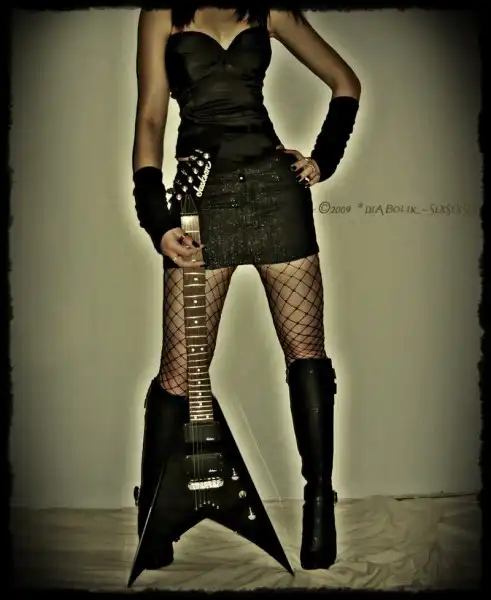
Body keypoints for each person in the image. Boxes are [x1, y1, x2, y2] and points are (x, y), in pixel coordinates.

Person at [132, 5, 361, 572]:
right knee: (181, 370)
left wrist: (323, 159)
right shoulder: (162, 13)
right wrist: (155, 217)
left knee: (306, 353)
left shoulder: (269, 9)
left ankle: (319, 505)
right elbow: (152, 118)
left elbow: (345, 83)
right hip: (201, 198)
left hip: (274, 191)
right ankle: (154, 511)